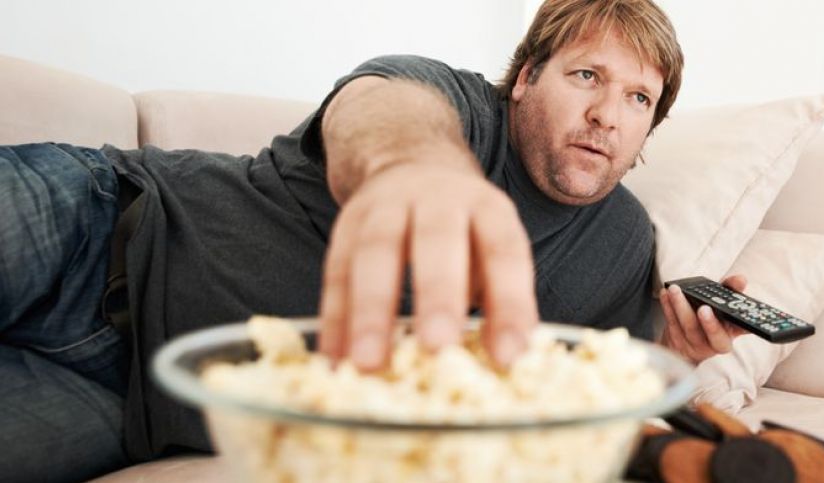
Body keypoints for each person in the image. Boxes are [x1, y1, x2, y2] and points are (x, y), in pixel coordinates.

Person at [0, 0, 749, 481]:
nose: (608, 115)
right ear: (525, 77)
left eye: (638, 97)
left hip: (133, 402)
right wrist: (411, 165)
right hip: (100, 221)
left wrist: (678, 351)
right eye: (587, 75)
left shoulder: (624, 242)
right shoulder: (454, 104)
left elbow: (599, 393)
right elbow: (379, 107)